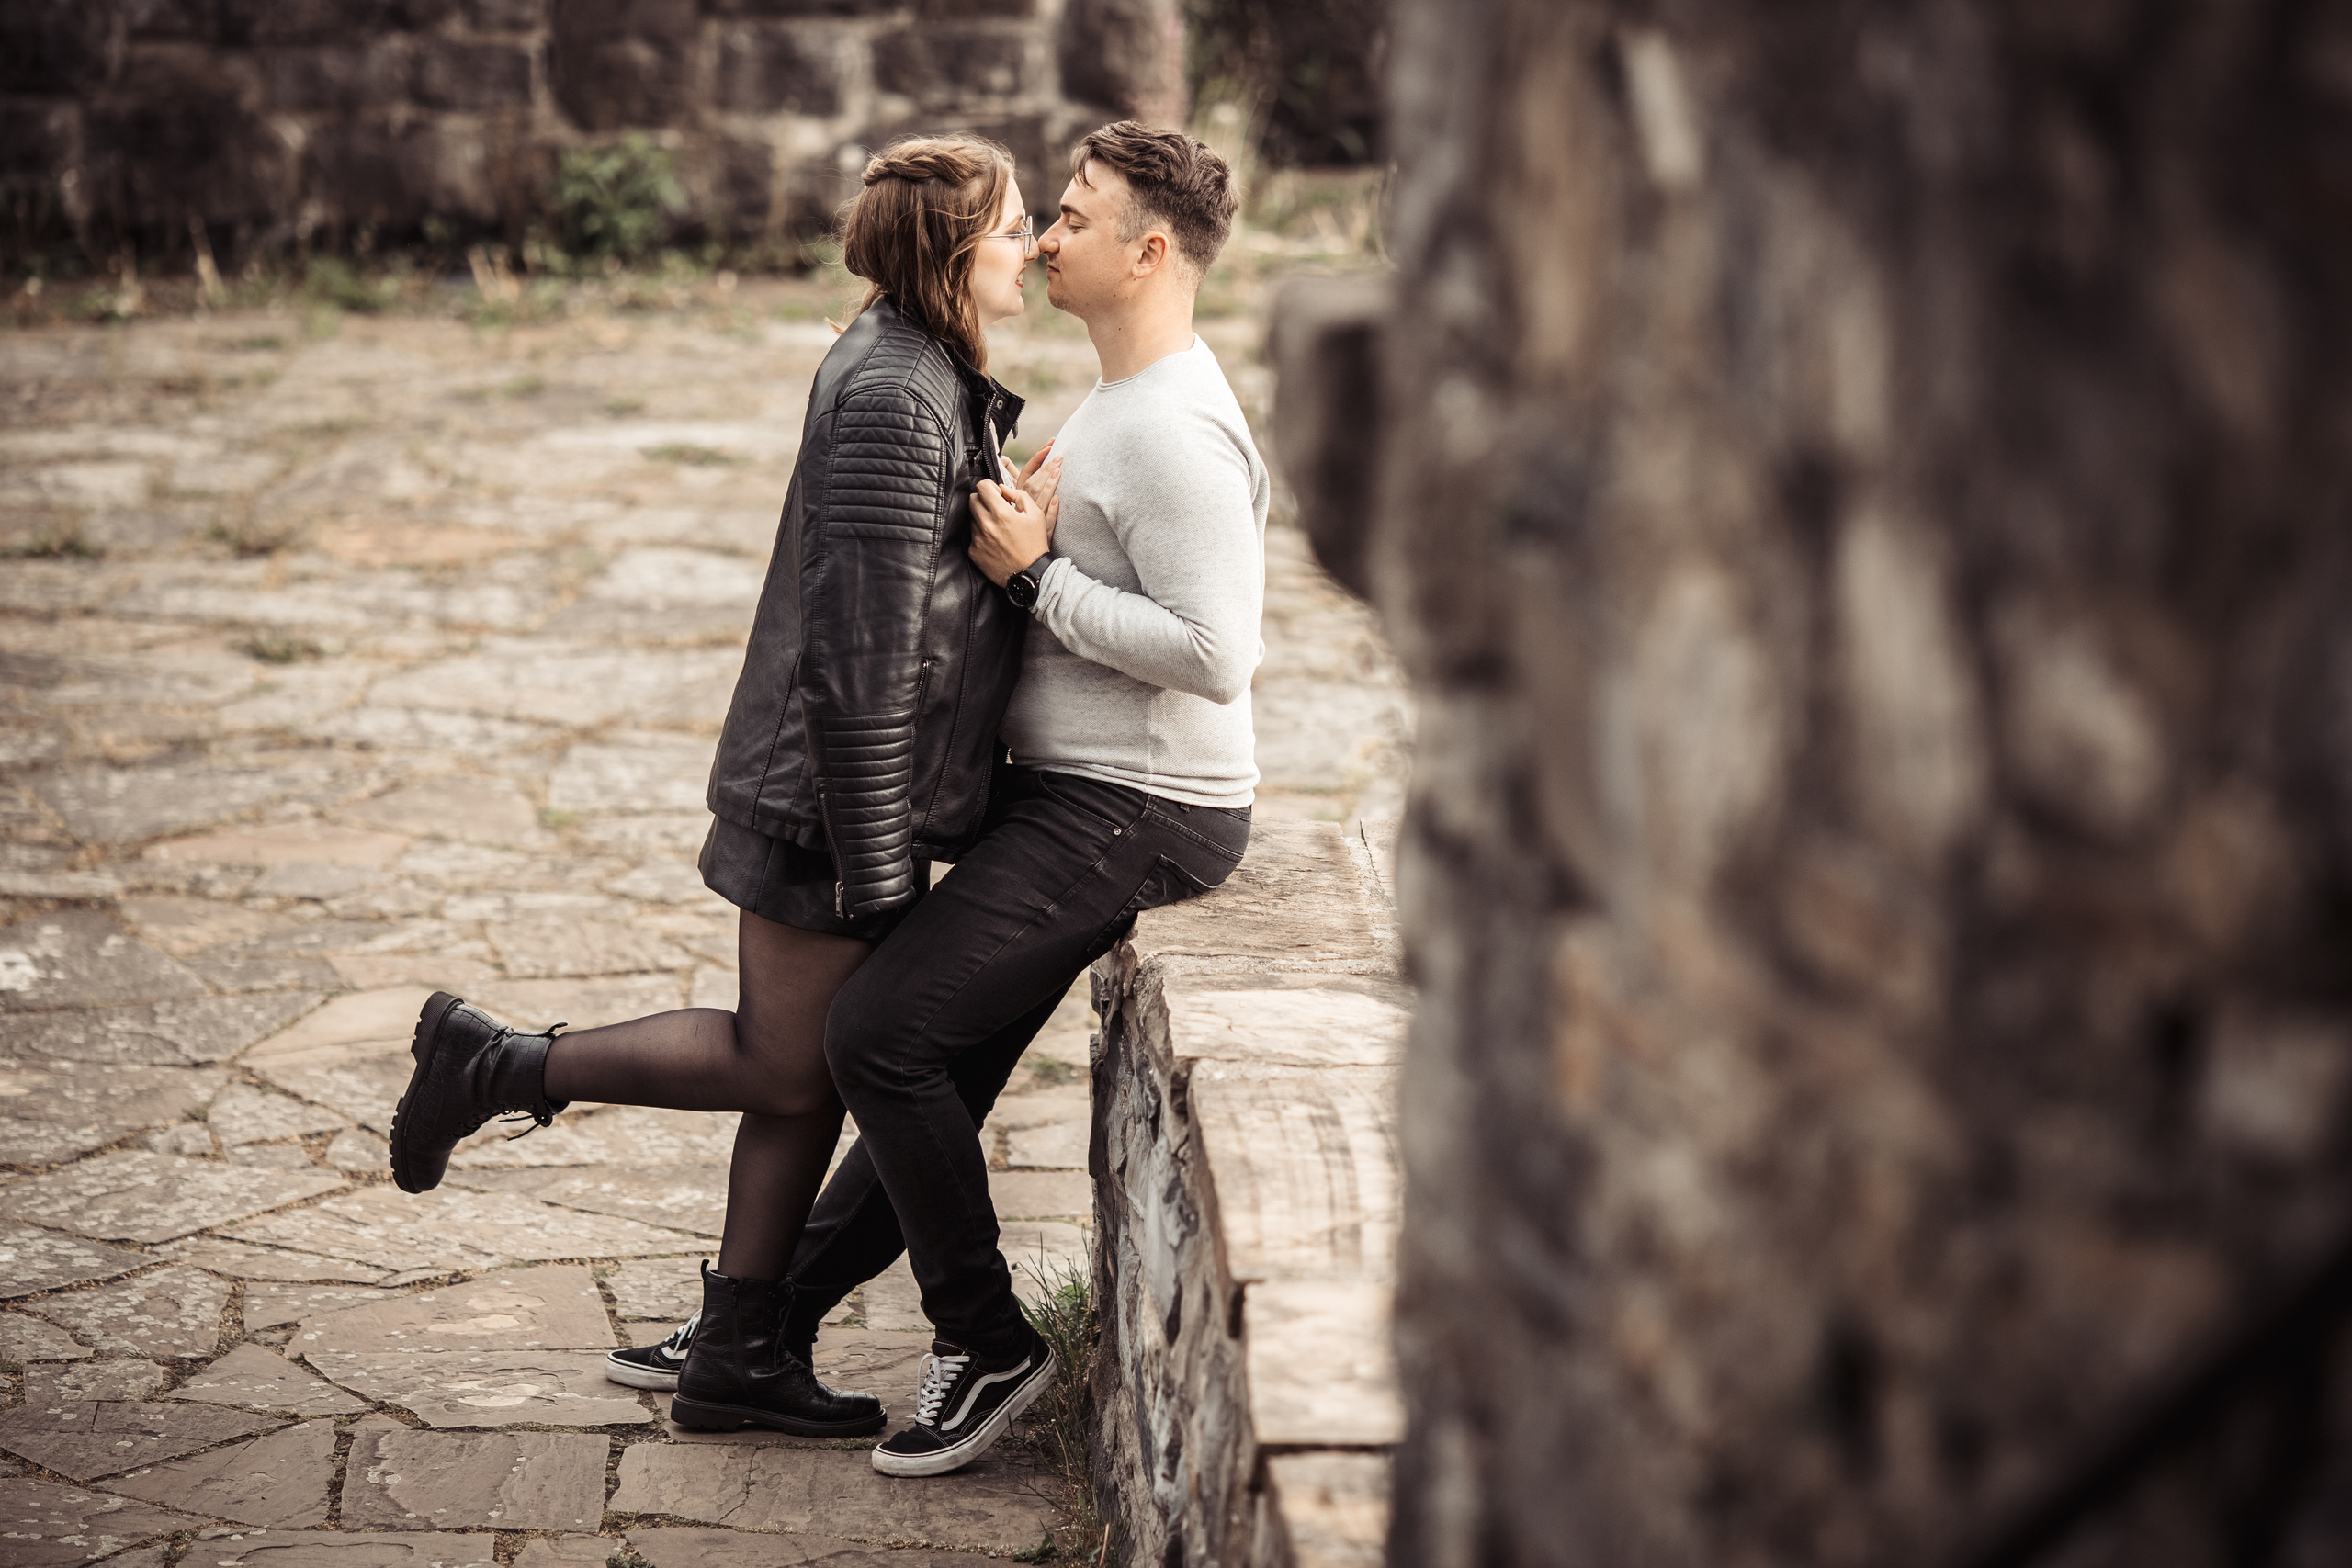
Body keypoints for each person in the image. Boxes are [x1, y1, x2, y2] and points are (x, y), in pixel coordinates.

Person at [611, 120, 1270, 1481]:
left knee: (879, 1034)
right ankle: (761, 1325)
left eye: (1074, 217)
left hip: (1136, 806)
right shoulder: (1120, 399)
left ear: (1151, 250)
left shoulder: (1177, 431)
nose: (1044, 237)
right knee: (929, 1056)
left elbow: (1219, 655)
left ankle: (987, 1337)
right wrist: (1013, 563)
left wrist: (1036, 581)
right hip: (1077, 794)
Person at [386, 132, 1061, 1440]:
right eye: (1015, 224)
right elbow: (856, 661)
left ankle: (742, 1349)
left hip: (834, 796)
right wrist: (878, 863)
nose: (1029, 245)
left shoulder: (922, 372)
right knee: (780, 1061)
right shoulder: (892, 393)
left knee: (799, 1076)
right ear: (952, 249)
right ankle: (500, 1068)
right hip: (825, 799)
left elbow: (897, 602)